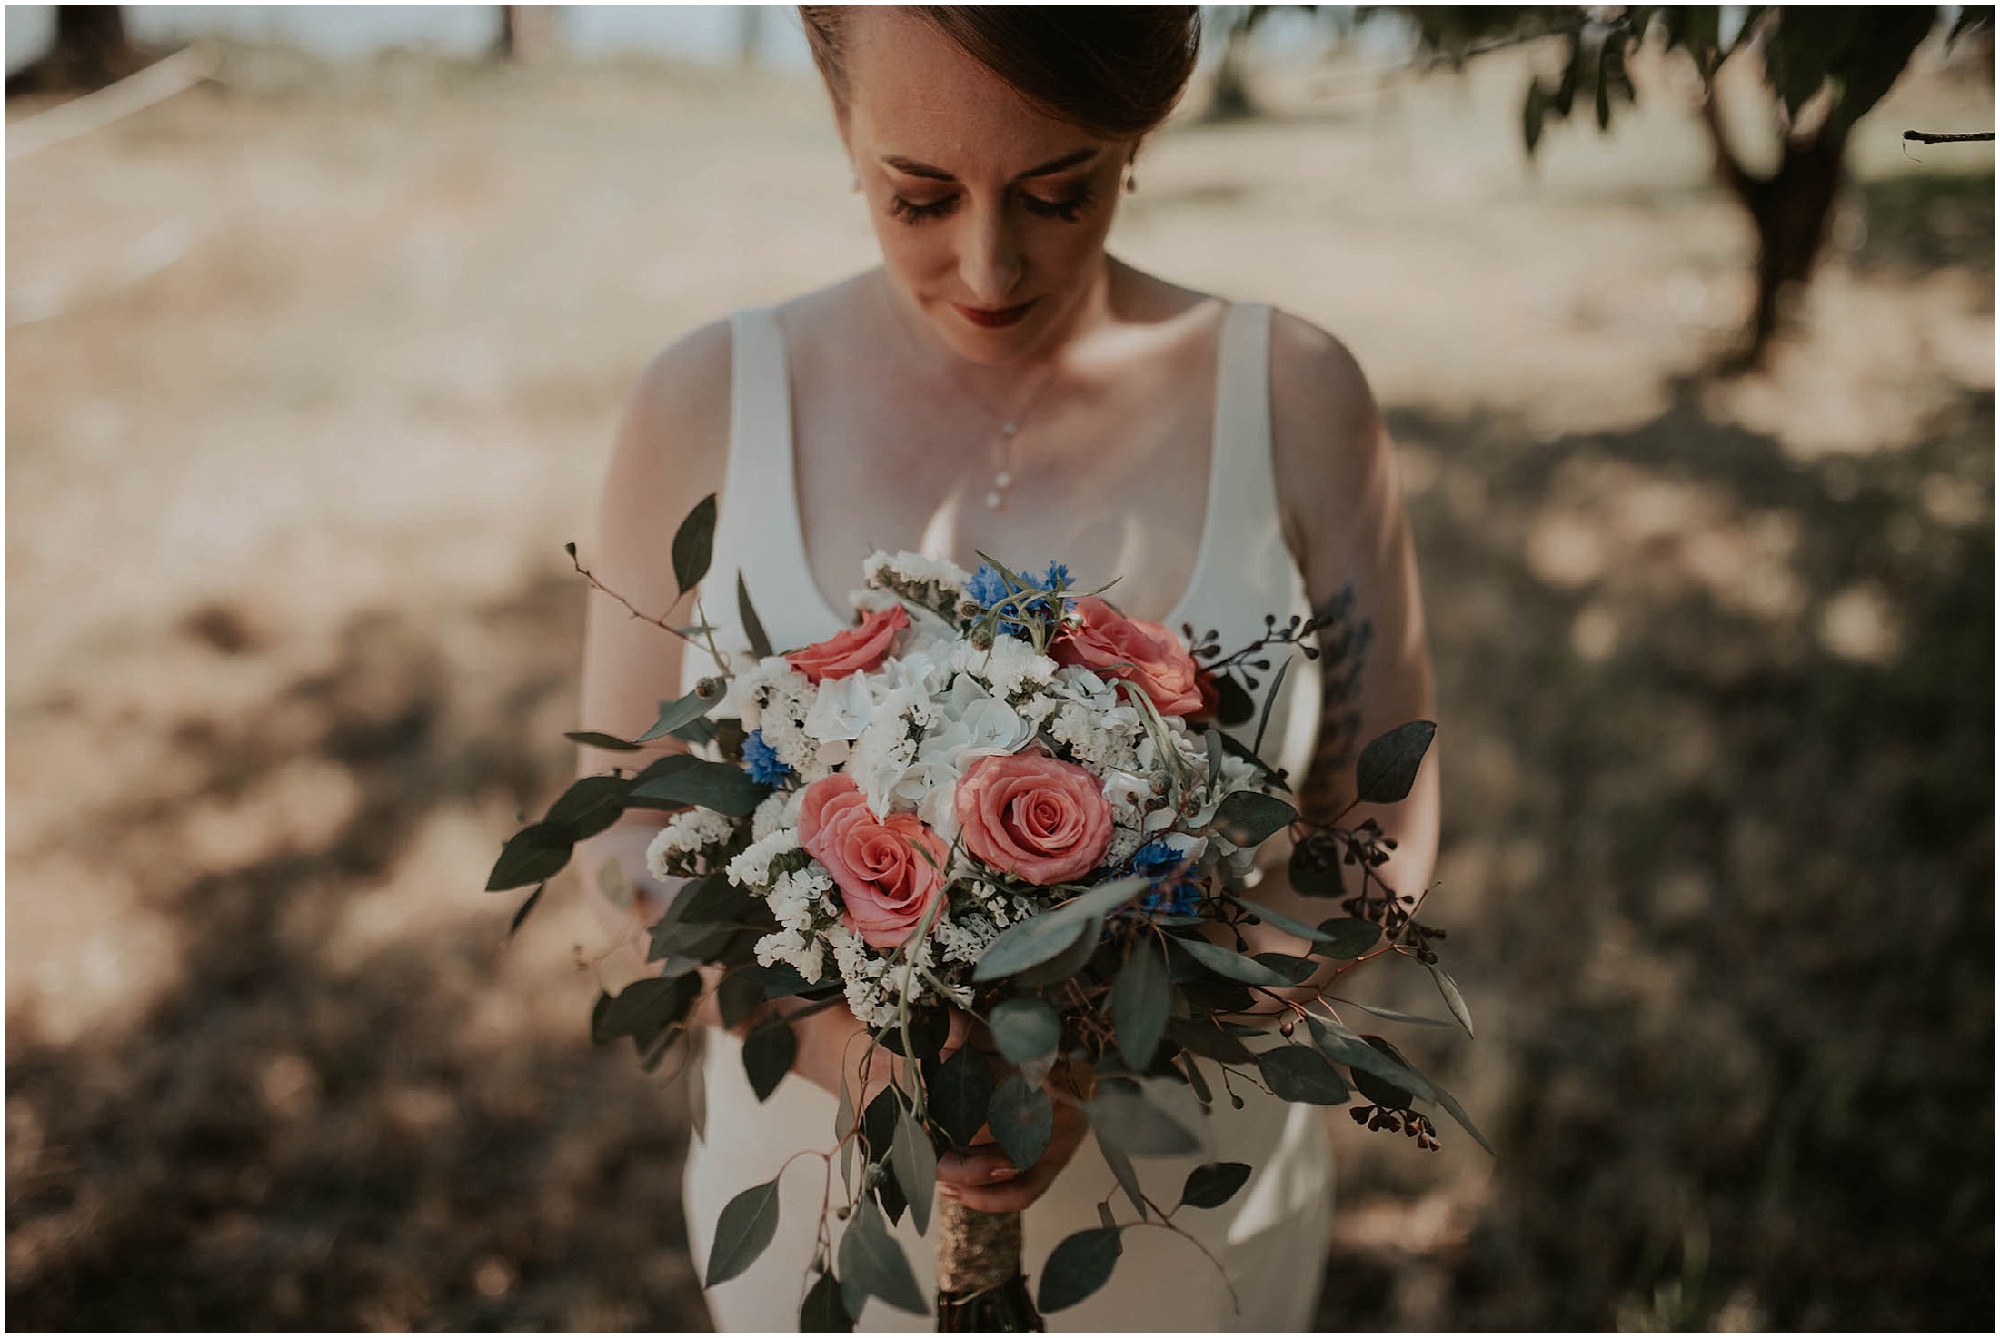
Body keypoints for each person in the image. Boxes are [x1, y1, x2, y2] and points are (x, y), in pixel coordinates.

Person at [575, 7, 1438, 1330]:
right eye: (918, 196)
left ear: (1136, 130)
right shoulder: (700, 403)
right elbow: (629, 842)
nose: (986, 266)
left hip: (1192, 1243)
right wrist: (849, 1050)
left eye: (1058, 189)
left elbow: (1378, 830)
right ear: (834, 99)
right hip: (824, 1232)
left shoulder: (1299, 397)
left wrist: (1118, 1019)